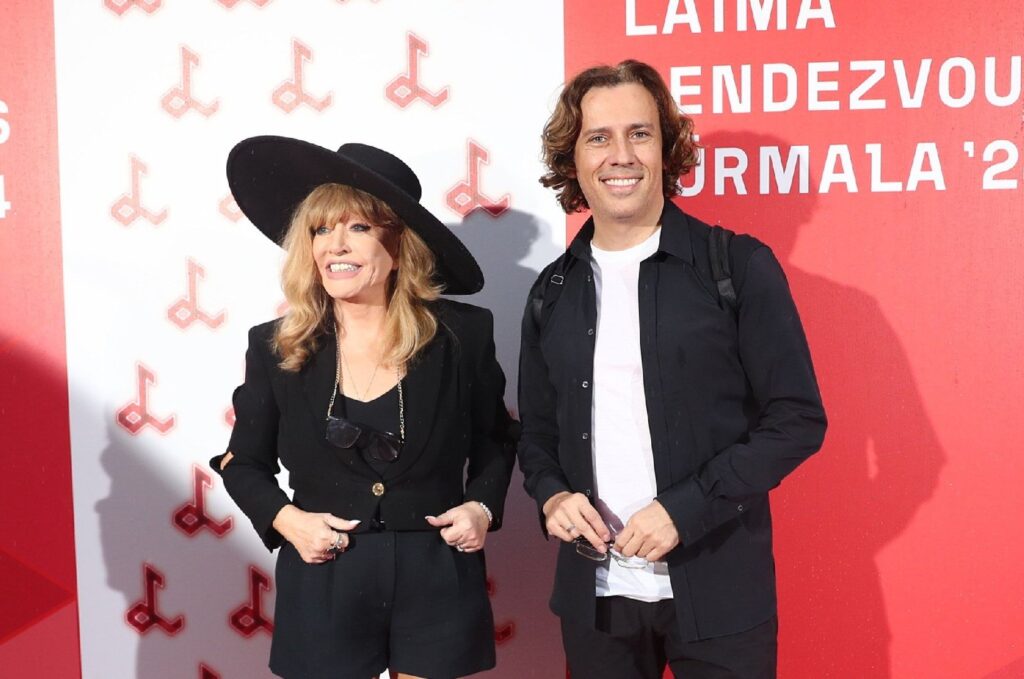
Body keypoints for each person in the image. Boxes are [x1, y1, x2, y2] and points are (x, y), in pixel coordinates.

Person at [516, 60, 827, 678]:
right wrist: (551, 495)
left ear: (666, 149)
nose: (621, 155)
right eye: (598, 138)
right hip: (596, 601)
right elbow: (537, 434)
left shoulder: (736, 266)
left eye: (640, 133)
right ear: (573, 159)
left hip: (720, 592)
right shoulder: (552, 291)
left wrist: (685, 509)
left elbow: (796, 419)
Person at [211, 136, 514, 679]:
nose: (335, 245)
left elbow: (495, 438)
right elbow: (243, 463)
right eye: (320, 230)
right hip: (323, 574)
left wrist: (482, 507)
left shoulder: (462, 335)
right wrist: (288, 521)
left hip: (435, 572)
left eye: (357, 228)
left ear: (399, 245)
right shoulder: (275, 346)